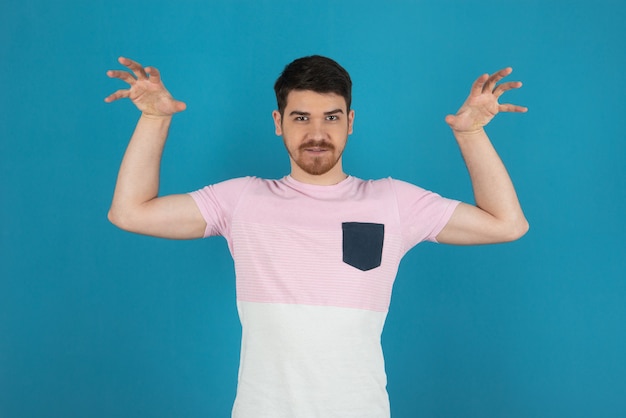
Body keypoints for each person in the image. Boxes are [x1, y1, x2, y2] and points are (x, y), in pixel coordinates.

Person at [105, 55, 528, 417]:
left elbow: (507, 224)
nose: (317, 133)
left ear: (350, 122)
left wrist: (471, 133)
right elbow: (130, 212)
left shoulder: (393, 202)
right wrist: (154, 119)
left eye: (331, 117)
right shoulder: (241, 200)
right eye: (301, 117)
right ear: (278, 122)